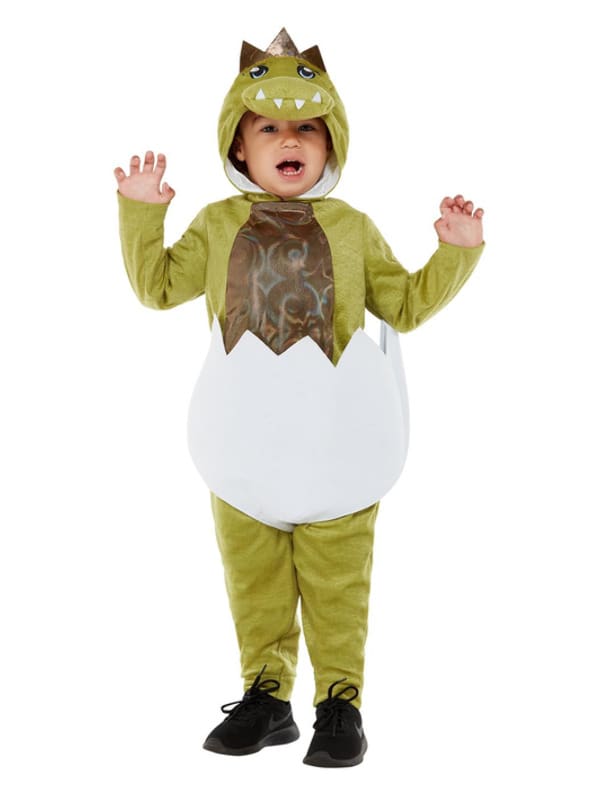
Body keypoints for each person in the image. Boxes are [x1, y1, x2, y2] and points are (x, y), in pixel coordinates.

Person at [114, 28, 484, 768]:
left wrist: (456, 251)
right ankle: (266, 696)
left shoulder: (352, 228)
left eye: (308, 128)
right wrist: (140, 213)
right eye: (269, 129)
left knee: (338, 583)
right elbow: (156, 289)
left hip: (336, 451)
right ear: (239, 147)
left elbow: (404, 306)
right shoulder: (217, 223)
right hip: (242, 450)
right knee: (253, 581)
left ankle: (340, 704)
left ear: (331, 143)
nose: (290, 140)